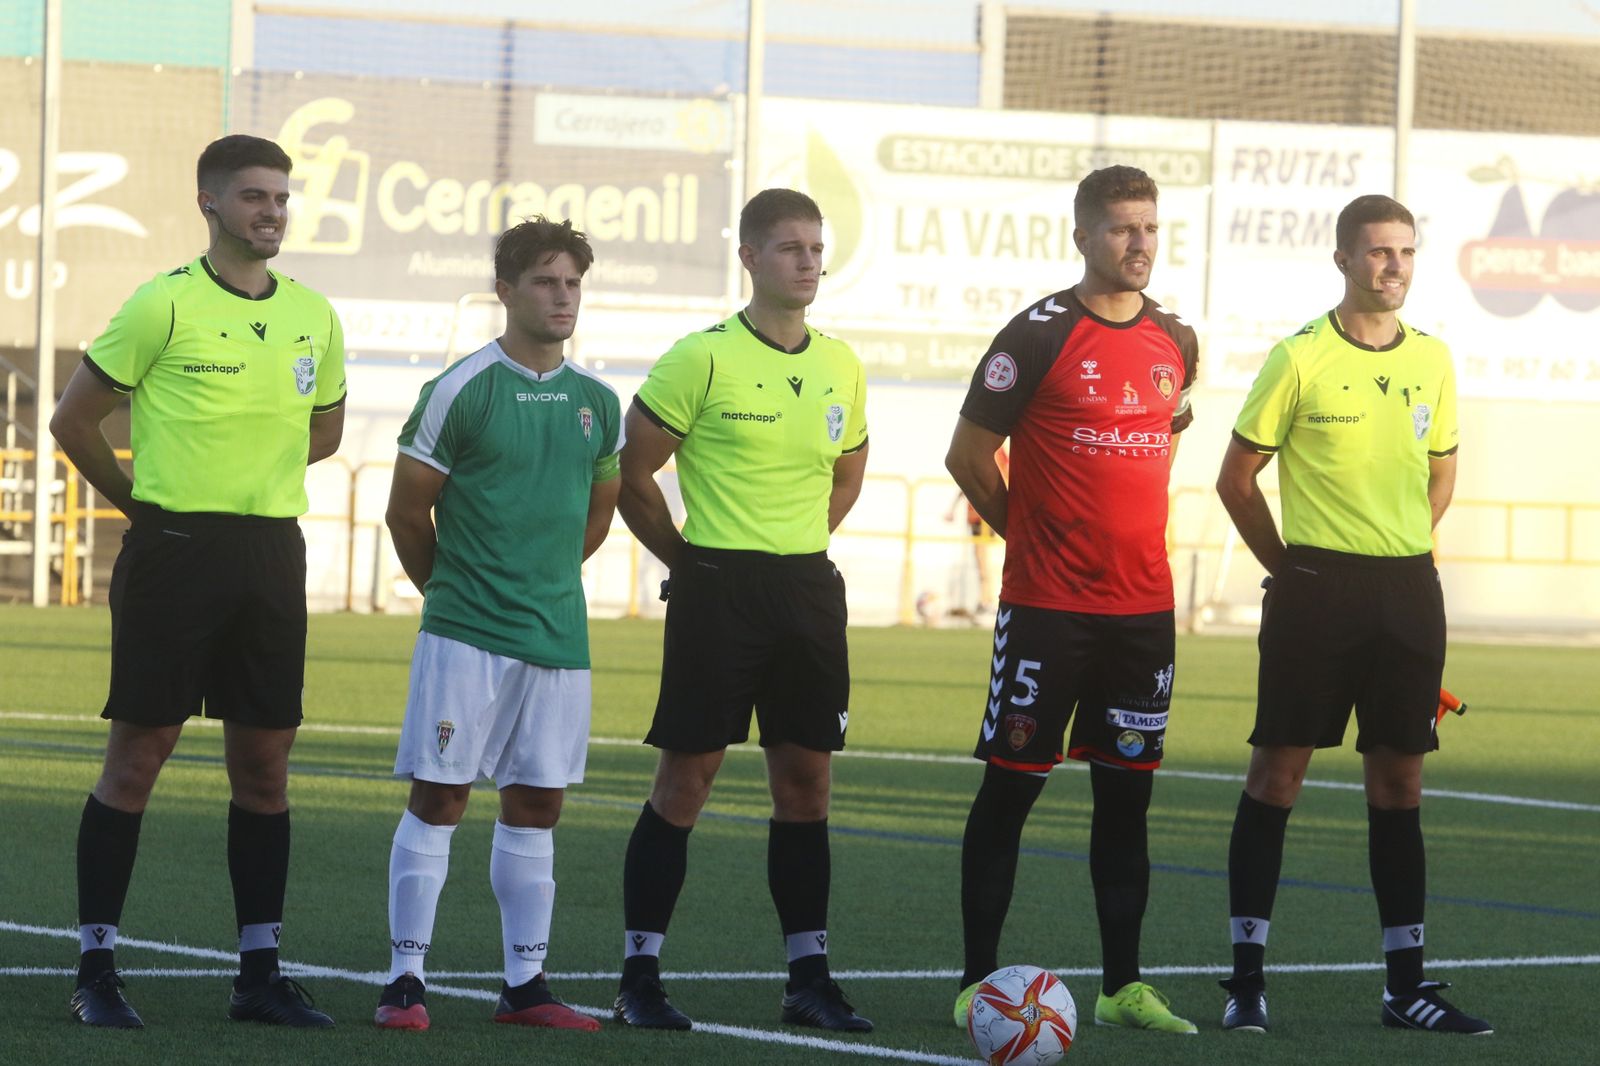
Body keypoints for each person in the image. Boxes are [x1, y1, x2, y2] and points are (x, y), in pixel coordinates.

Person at [49, 134, 347, 1029]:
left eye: (283, 197)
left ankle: (259, 973)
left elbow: (323, 431)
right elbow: (74, 419)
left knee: (265, 766)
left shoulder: (313, 315)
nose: (273, 211)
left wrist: (249, 473)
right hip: (173, 551)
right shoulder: (163, 305)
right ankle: (96, 967)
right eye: (254, 196)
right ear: (209, 203)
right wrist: (145, 508)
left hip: (269, 555)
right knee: (138, 757)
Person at [1214, 194, 1489, 1035]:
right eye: (1376, 253)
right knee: (1278, 776)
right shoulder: (1298, 358)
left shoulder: (1434, 361)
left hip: (1408, 594)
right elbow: (1236, 477)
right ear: (1342, 260)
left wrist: (1400, 546)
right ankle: (1245, 981)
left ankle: (1407, 987)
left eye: (1405, 251)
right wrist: (1290, 570)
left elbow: (1440, 473)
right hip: (1315, 592)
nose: (1393, 266)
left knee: (1400, 783)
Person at [610, 188, 872, 1033]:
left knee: (807, 784)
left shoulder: (841, 364)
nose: (807, 261)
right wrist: (691, 561)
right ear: (751, 258)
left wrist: (795, 545)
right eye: (790, 247)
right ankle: (640, 976)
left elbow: (848, 470)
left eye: (816, 248)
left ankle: (808, 979)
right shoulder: (703, 358)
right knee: (687, 780)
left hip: (805, 591)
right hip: (717, 592)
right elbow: (632, 472)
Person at [946, 165, 1198, 1035]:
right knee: (1012, 791)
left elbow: (1165, 438)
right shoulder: (1038, 335)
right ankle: (980, 984)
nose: (1140, 245)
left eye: (1152, 229)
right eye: (1124, 229)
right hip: (1048, 609)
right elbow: (968, 457)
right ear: (1084, 235)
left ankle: (1123, 986)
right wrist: (1032, 538)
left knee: (1128, 800)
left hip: (1144, 615)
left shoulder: (1176, 341)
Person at [376, 217, 621, 1033]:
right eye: (547, 281)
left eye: (573, 283)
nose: (563, 297)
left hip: (557, 636)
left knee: (537, 804)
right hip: (465, 633)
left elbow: (597, 514)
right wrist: (453, 594)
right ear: (506, 290)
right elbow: (409, 512)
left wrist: (544, 583)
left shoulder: (597, 402)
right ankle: (405, 981)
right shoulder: (462, 387)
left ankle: (525, 987)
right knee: (441, 794)